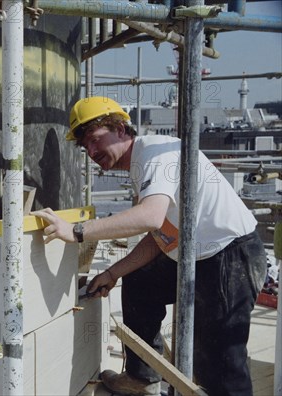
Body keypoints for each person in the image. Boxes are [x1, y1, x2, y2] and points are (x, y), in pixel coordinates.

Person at [33, 96, 267, 395]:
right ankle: (143, 377)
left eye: (94, 139)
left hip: (228, 257)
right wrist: (113, 272)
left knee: (220, 365)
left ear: (120, 128)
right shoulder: (143, 164)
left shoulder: (156, 154)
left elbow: (150, 217)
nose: (91, 152)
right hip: (199, 255)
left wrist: (76, 231)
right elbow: (161, 234)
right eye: (85, 147)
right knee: (140, 283)